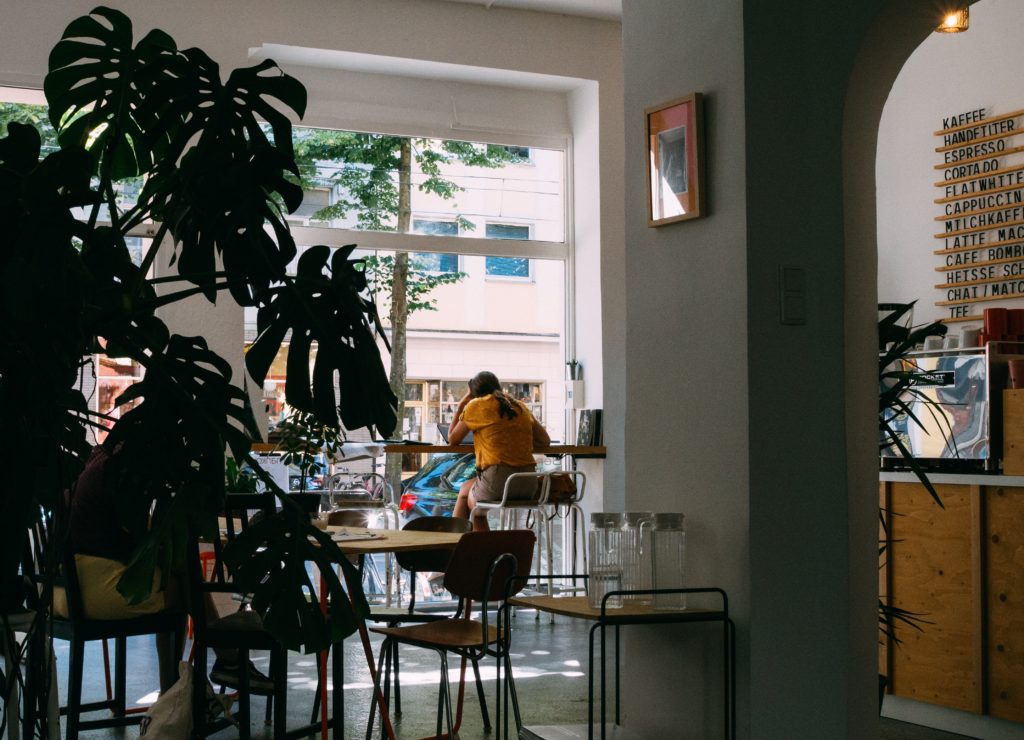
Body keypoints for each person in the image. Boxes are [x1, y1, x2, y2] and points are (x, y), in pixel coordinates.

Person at [64, 443, 273, 693]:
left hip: (71, 582)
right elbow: (140, 540)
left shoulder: (98, 459)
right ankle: (219, 663)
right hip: (94, 586)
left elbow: (129, 533)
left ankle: (184, 688)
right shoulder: (123, 470)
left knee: (179, 575)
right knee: (182, 585)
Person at [449, 371, 551, 531]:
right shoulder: (519, 406)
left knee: (476, 509)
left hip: (498, 481)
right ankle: (458, 545)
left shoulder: (476, 405)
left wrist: (462, 404)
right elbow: (545, 440)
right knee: (464, 490)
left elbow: (452, 439)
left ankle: (485, 552)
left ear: (475, 393)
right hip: (527, 483)